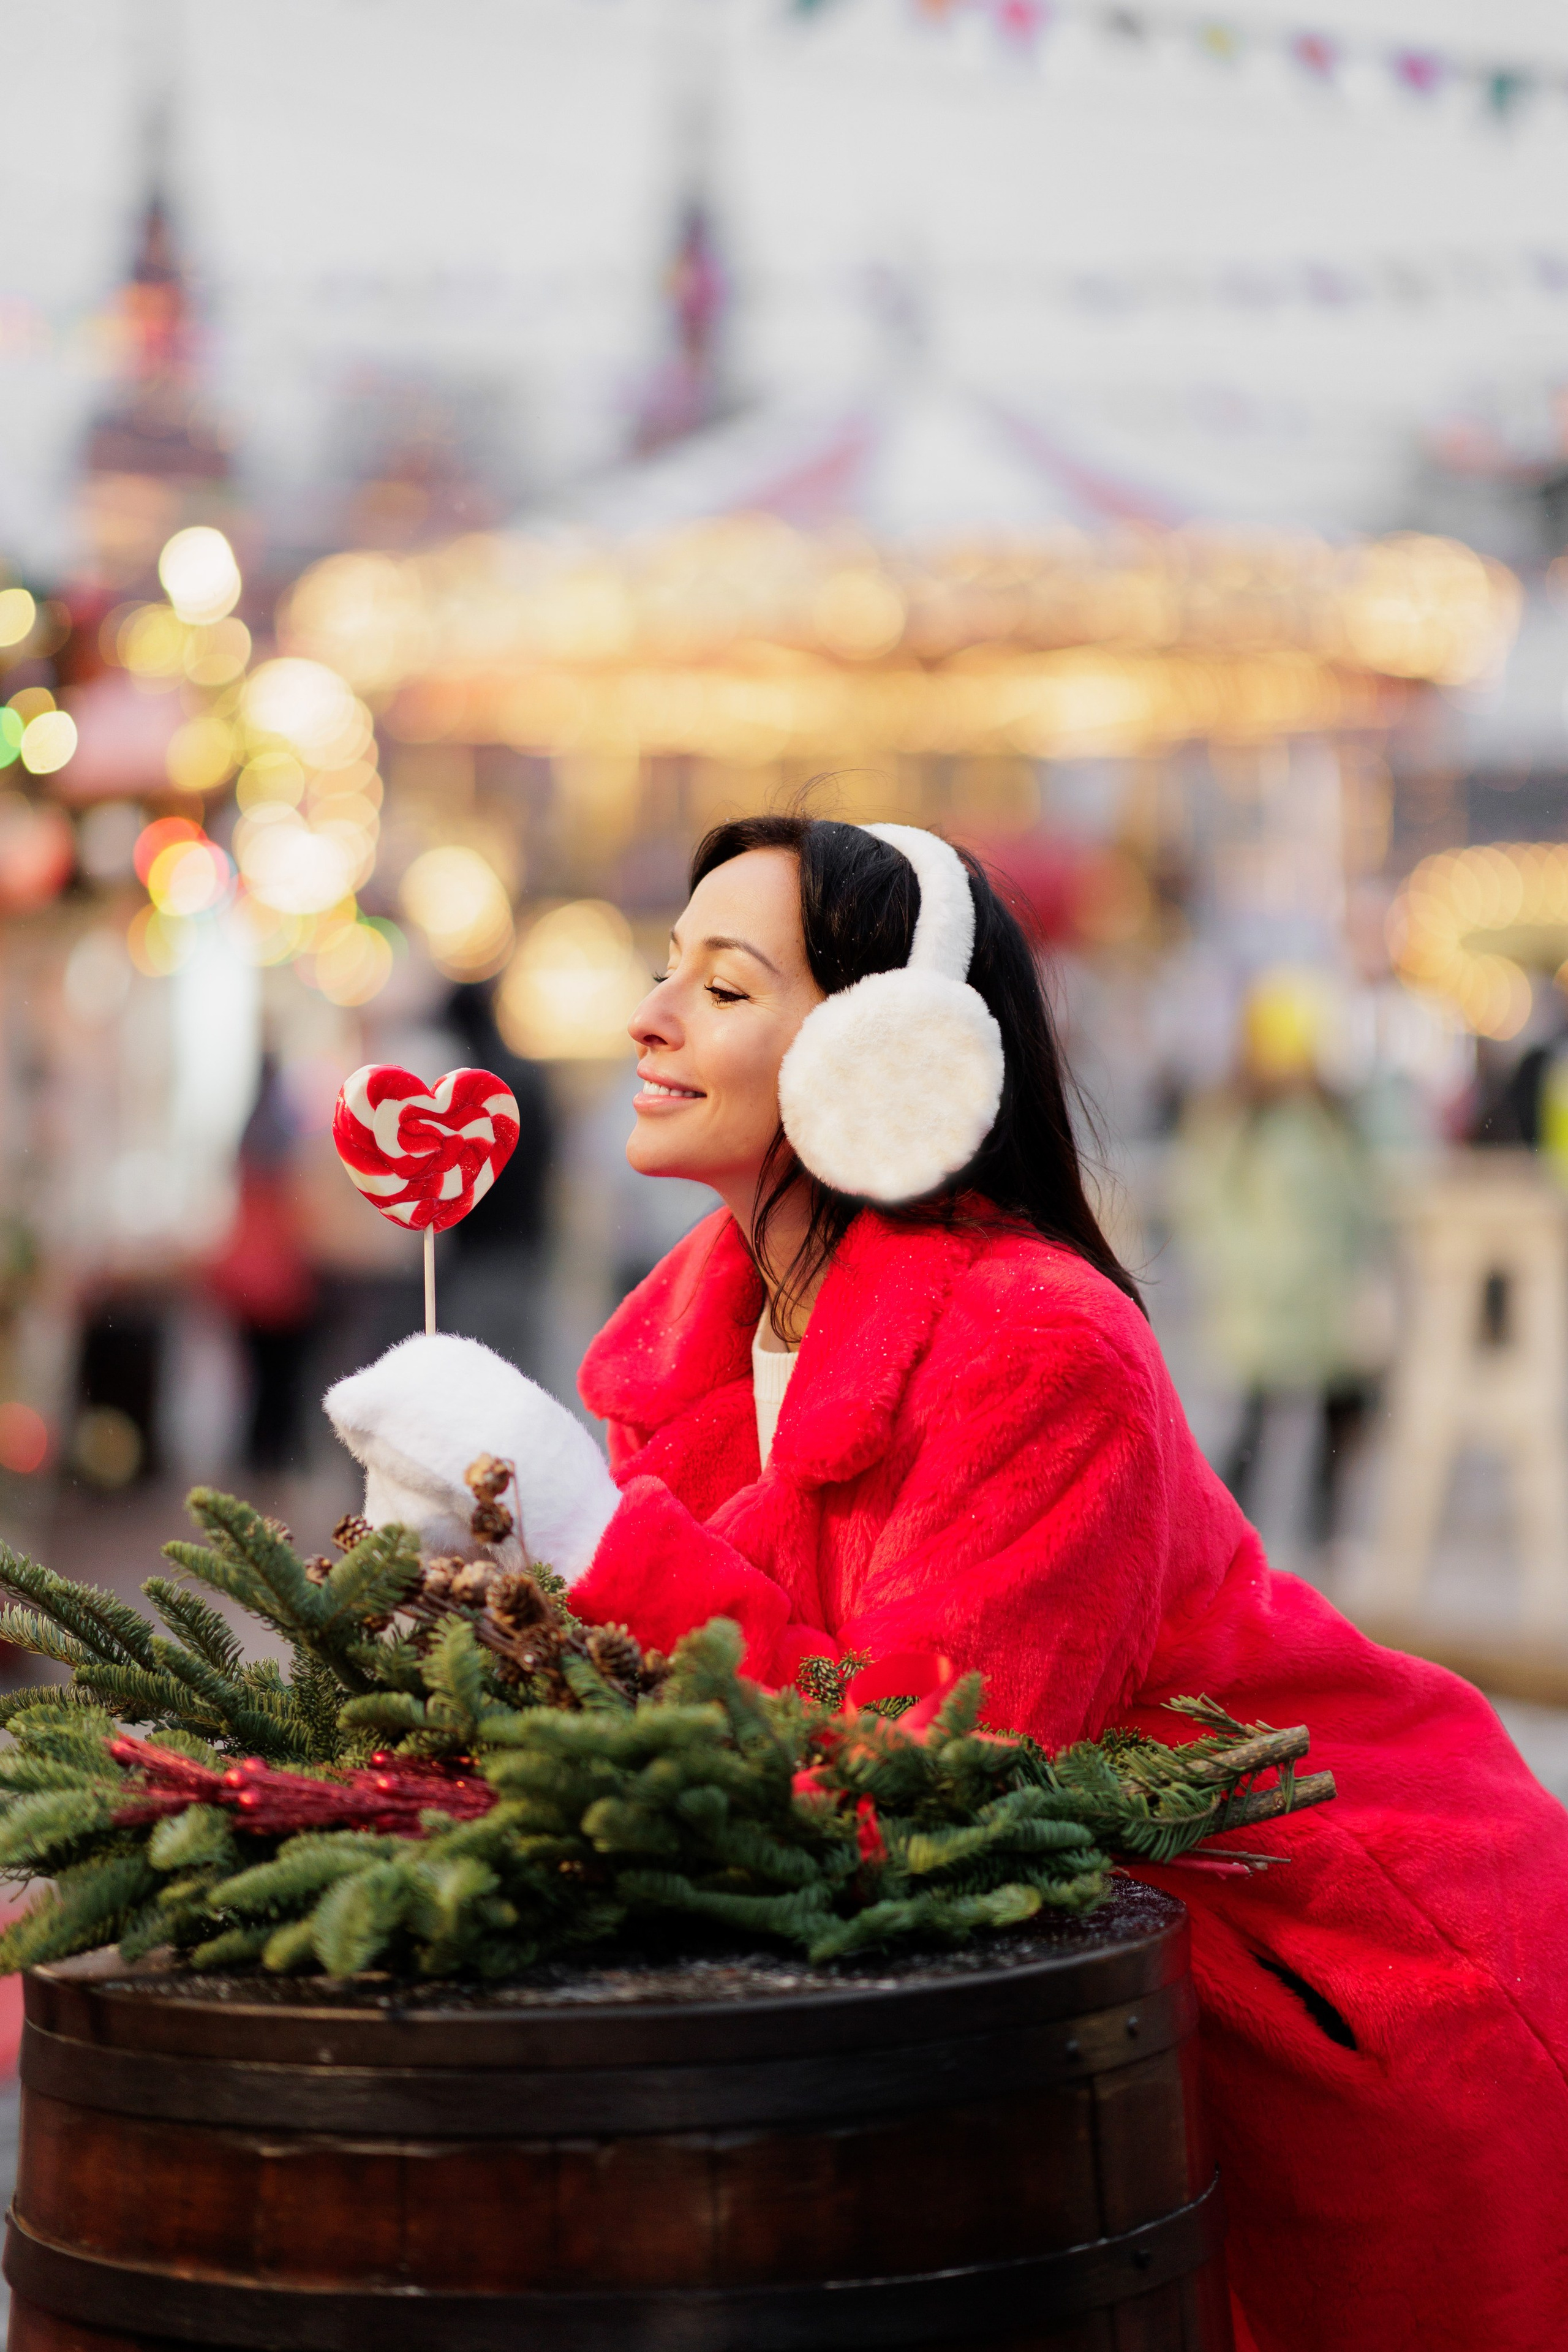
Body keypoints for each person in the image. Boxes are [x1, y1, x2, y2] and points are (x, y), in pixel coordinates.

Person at [336, 816, 1568, 2352]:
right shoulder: (686, 1347)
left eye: (721, 989)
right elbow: (699, 1726)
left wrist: (586, 1540)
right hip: (1073, 2010)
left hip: (1344, 1974)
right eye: (666, 972)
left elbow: (928, 1790)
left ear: (883, 1044)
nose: (645, 1017)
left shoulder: (1039, 1346)